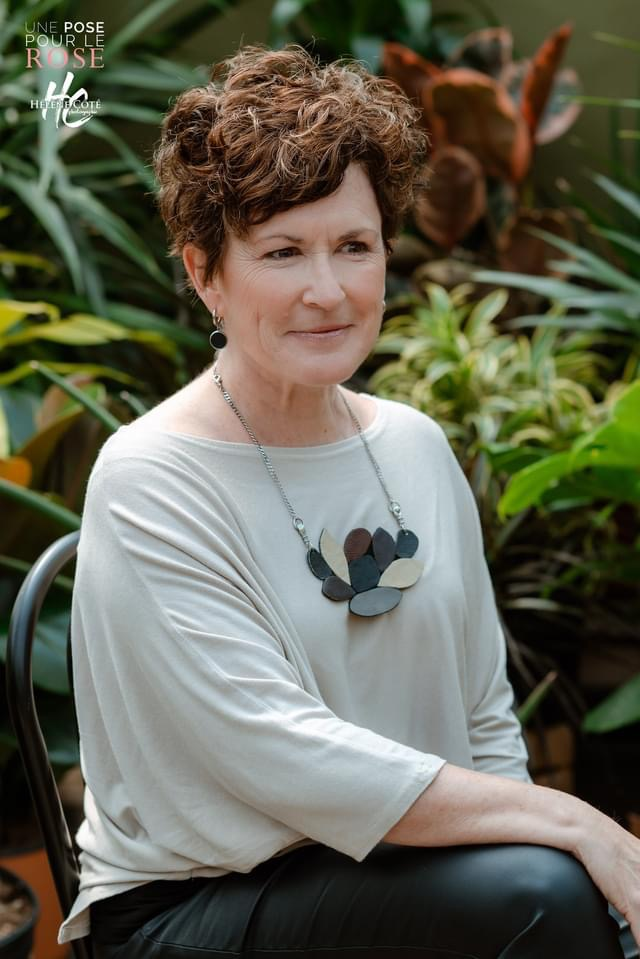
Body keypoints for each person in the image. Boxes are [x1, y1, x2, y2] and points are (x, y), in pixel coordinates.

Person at [58, 45, 639, 958]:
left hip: (409, 872)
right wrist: (570, 824)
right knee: (546, 889)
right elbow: (279, 756)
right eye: (283, 252)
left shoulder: (414, 445)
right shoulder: (150, 478)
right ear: (205, 271)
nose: (327, 292)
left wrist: (538, 836)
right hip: (203, 901)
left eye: (354, 247)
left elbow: (485, 713)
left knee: (559, 890)